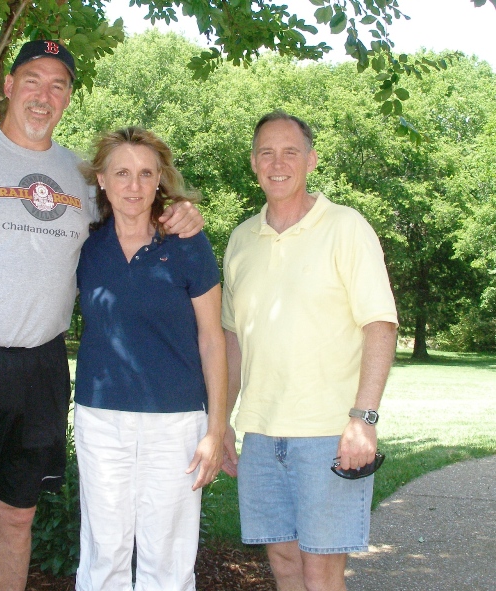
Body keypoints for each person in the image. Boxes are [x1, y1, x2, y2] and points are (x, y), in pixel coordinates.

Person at [0, 41, 203, 590]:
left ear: (68, 98)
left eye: (58, 85)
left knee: (17, 516)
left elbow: (138, 208)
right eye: (32, 80)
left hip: (39, 368)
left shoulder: (81, 177)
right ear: (8, 86)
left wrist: (182, 211)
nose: (43, 95)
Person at [220, 111, 398, 591]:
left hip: (328, 434)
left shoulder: (346, 226)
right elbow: (233, 339)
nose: (277, 163)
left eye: (290, 152)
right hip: (260, 435)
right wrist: (223, 421)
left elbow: (380, 325)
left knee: (321, 574)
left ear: (311, 160)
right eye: (266, 153)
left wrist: (364, 419)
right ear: (253, 162)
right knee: (284, 564)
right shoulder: (241, 239)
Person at [73, 127, 227, 591]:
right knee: (104, 553)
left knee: (169, 558)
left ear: (160, 179)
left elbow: (212, 339)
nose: (134, 185)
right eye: (121, 173)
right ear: (102, 180)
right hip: (100, 419)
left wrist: (216, 430)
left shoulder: (186, 242)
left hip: (175, 422)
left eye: (145, 173)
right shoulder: (84, 246)